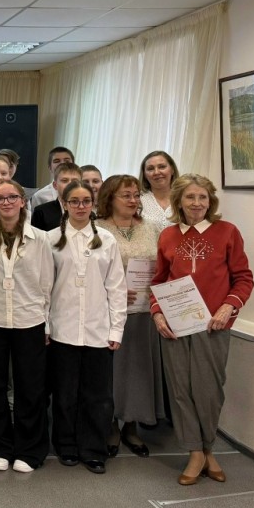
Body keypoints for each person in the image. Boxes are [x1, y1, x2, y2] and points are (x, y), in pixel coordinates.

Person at [150, 174, 253, 486]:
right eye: (190, 197)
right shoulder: (168, 235)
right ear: (179, 201)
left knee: (208, 390)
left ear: (210, 201)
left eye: (203, 197)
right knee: (180, 389)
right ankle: (195, 452)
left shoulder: (227, 232)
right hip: (175, 326)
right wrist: (157, 313)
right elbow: (159, 281)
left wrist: (228, 306)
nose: (197, 203)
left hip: (213, 326)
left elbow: (243, 278)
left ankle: (208, 448)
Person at [47, 181, 127, 475]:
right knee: (65, 394)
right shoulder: (51, 239)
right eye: (74, 201)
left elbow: (116, 288)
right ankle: (66, 445)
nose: (80, 206)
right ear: (65, 204)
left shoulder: (106, 240)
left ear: (93, 205)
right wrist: (45, 325)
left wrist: (116, 330)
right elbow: (44, 287)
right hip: (62, 328)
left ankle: (93, 449)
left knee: (98, 396)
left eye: (86, 201)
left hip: (98, 330)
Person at [0, 180, 53, 473]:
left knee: (30, 387)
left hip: (29, 318)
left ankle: (29, 449)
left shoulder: (41, 239)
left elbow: (48, 284)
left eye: (12, 197)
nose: (6, 202)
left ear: (22, 200)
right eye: (0, 198)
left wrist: (48, 324)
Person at [96, 175, 164, 457]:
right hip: (110, 313)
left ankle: (132, 426)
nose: (134, 200)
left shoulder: (151, 227)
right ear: (110, 198)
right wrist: (111, 292)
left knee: (138, 372)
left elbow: (163, 266)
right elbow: (87, 272)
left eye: (136, 195)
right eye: (126, 195)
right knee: (112, 373)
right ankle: (111, 425)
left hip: (144, 312)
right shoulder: (97, 228)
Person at [31, 162, 82, 232]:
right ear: (55, 185)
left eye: (75, 181)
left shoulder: (87, 211)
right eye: (65, 181)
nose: (70, 184)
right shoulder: (41, 212)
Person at [139, 150, 180, 227]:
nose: (156, 172)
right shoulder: (137, 200)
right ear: (144, 174)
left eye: (162, 167)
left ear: (172, 170)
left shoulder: (184, 198)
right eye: (150, 169)